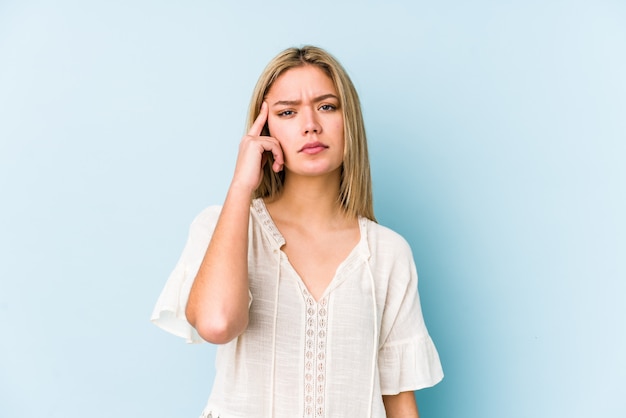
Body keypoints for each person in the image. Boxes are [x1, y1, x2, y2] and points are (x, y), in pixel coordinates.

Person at [151, 45, 443, 418]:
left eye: (326, 106)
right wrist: (241, 186)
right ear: (264, 129)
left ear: (348, 121)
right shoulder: (220, 226)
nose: (310, 125)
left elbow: (399, 402)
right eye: (288, 112)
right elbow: (217, 322)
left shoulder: (387, 253)